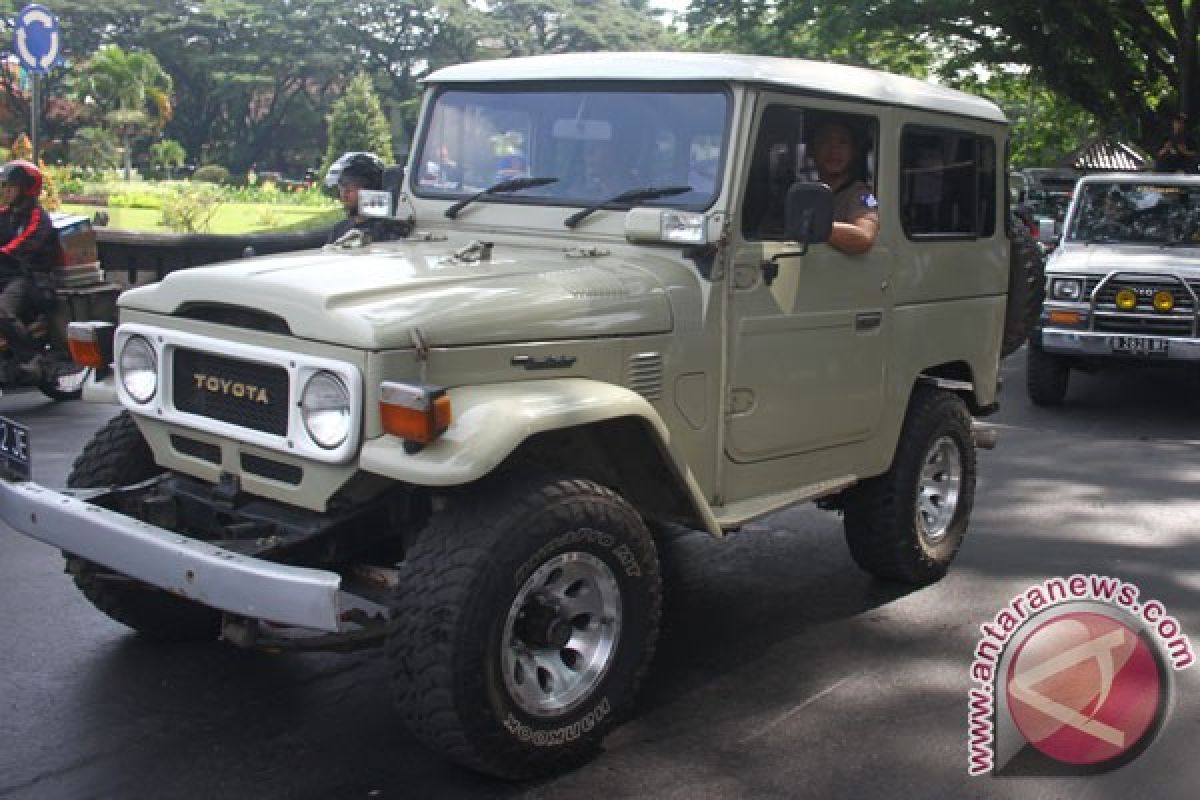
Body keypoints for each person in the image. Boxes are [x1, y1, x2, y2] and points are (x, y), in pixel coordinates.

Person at [0, 159, 63, 378]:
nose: (6, 191)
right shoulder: (5, 214)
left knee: (2, 313)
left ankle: (32, 357)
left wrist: (4, 251)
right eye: (4, 186)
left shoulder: (38, 217)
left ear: (27, 189)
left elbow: (24, 243)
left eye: (11, 186)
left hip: (27, 277)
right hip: (5, 274)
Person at [809, 119, 879, 254]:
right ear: (812, 150)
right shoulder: (808, 192)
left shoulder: (864, 195)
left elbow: (865, 237)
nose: (834, 150)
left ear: (853, 152)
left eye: (843, 142)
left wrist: (811, 226)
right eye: (825, 141)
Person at [324, 152, 406, 244]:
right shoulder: (339, 230)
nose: (344, 195)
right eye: (341, 188)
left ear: (372, 189)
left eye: (350, 188)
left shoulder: (389, 231)